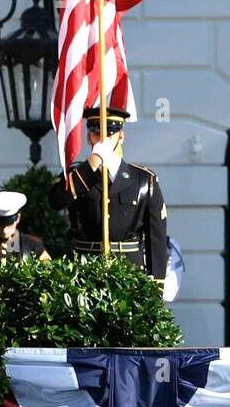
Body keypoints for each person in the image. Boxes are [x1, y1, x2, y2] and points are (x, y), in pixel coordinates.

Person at [48, 107, 169, 283]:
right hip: (84, 273)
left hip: (129, 274)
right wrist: (92, 163)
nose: (102, 140)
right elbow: (56, 201)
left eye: (110, 133)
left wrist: (156, 286)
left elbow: (155, 238)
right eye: (96, 134)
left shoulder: (143, 179)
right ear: (89, 137)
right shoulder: (75, 175)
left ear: (121, 136)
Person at [0, 191, 50, 264]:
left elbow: (47, 268)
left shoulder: (33, 245)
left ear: (18, 218)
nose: (4, 230)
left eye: (9, 224)